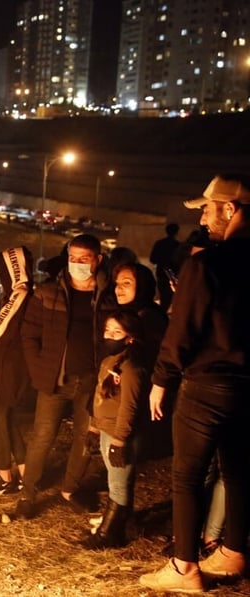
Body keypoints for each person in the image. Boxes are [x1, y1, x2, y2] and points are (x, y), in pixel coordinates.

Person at [140, 174, 250, 592]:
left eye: (207, 209)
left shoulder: (206, 264)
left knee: (187, 475)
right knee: (239, 471)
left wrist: (161, 378)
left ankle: (184, 566)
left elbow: (181, 331)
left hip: (207, 385)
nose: (203, 218)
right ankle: (234, 551)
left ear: (230, 209)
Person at [15, 233, 113, 520]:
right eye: (73, 258)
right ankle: (27, 494)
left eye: (84, 259)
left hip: (92, 382)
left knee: (85, 438)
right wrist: (40, 368)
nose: (78, 264)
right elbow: (29, 334)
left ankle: (70, 490)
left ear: (98, 260)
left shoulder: (108, 296)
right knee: (42, 437)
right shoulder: (48, 292)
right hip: (55, 381)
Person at [83, 310, 151, 549]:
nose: (110, 336)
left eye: (117, 332)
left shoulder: (132, 368)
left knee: (119, 484)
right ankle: (123, 526)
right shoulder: (108, 362)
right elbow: (99, 398)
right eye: (107, 331)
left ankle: (107, 535)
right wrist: (93, 427)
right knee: (118, 481)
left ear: (130, 338)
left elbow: (129, 408)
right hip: (106, 430)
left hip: (119, 435)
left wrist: (120, 441)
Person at [0, 247, 34, 496]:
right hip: (14, 364)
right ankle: (25, 475)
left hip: (8, 365)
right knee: (8, 420)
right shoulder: (26, 293)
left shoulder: (19, 292)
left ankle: (4, 476)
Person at [149, 222, 181, 311]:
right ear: (177, 232)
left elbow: (152, 259)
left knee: (164, 299)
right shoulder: (178, 246)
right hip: (174, 275)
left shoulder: (160, 244)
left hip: (161, 274)